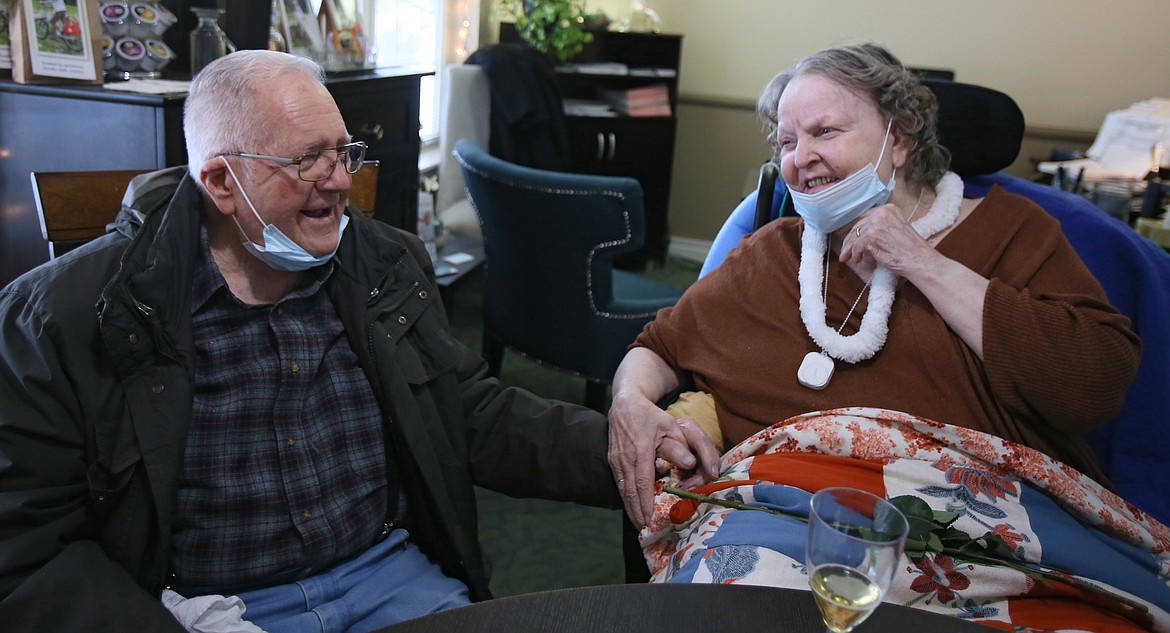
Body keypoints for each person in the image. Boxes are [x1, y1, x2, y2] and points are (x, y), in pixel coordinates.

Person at [0, 50, 623, 632]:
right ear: (220, 182)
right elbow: (26, 549)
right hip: (206, 605)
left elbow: (468, 412)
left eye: (343, 153)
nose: (338, 181)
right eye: (307, 160)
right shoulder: (58, 319)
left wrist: (629, 451)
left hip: (386, 572)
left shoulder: (383, 267)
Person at [607, 42, 1141, 528]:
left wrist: (921, 261)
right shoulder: (773, 250)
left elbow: (1091, 385)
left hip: (977, 532)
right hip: (787, 525)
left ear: (901, 139)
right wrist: (630, 401)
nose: (800, 158)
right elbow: (660, 345)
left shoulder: (1013, 231)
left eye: (825, 131)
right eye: (786, 141)